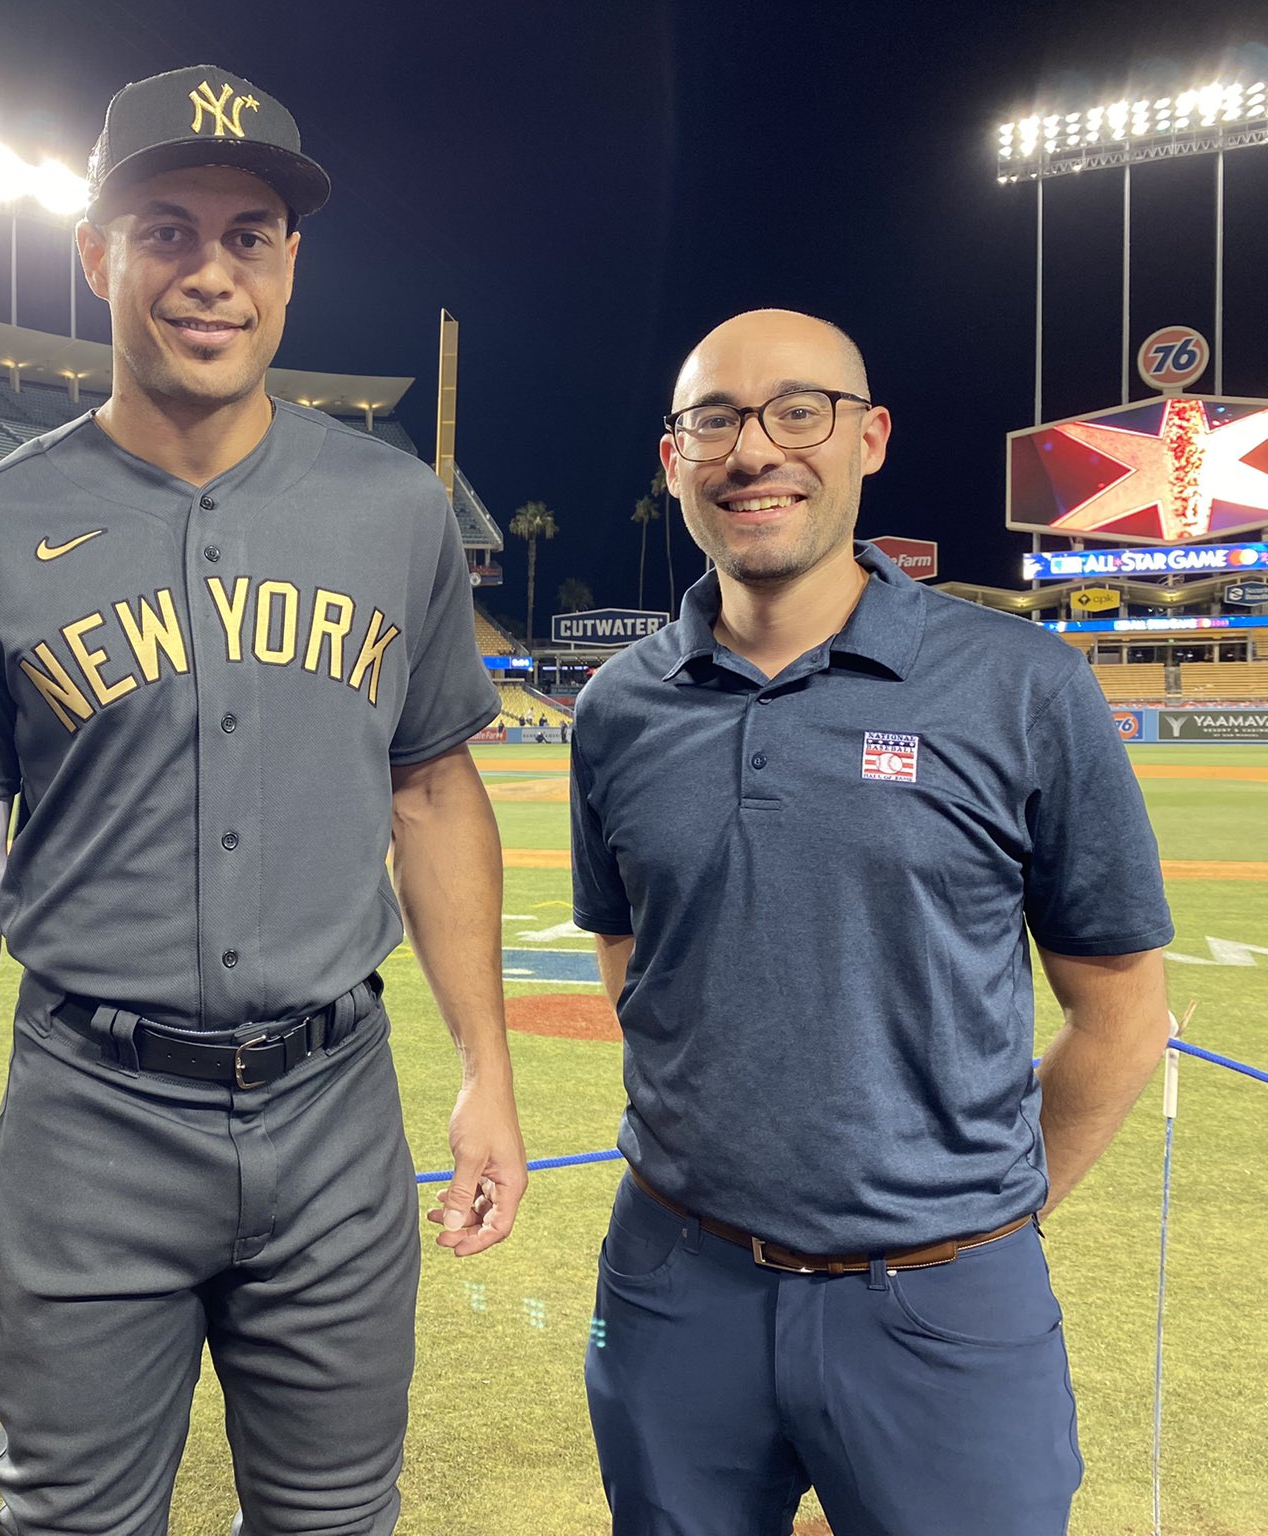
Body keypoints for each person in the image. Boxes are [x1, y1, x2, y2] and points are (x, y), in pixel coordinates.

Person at [0, 65, 527, 1536]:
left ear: (291, 266)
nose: (210, 272)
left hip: (335, 1109)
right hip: (92, 1114)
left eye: (249, 235)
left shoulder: (394, 510)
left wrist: (487, 1071)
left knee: (337, 1516)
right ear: (98, 254)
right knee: (75, 1520)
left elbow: (432, 792)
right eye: (166, 229)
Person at [570, 310, 1173, 1534]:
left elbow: (1120, 1013)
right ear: (672, 454)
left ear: (869, 438)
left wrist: (975, 1216)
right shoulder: (618, 707)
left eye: (798, 412)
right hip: (674, 1284)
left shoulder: (1019, 684)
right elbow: (636, 968)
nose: (754, 452)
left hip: (946, 1303)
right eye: (714, 421)